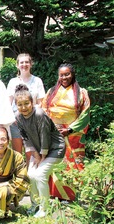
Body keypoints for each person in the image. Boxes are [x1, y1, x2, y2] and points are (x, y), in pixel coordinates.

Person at [14, 84, 65, 218]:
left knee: (40, 175)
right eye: (20, 104)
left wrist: (42, 156)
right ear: (16, 105)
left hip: (55, 149)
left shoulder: (39, 114)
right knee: (31, 175)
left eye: (26, 103)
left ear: (32, 102)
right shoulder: (18, 117)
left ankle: (44, 208)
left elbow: (44, 135)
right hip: (38, 151)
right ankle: (34, 205)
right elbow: (25, 137)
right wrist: (36, 155)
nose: (24, 107)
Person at [42, 63, 90, 200]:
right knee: (55, 162)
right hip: (54, 133)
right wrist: (52, 128)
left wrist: (69, 129)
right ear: (58, 76)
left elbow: (85, 114)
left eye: (67, 74)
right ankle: (54, 194)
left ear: (72, 74)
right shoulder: (51, 92)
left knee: (73, 164)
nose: (64, 77)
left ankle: (73, 195)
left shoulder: (81, 93)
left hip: (73, 134)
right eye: (62, 75)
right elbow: (44, 110)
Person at [7, 53, 45, 162]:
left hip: (32, 122)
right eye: (21, 62)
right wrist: (13, 118)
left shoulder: (37, 81)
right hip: (16, 123)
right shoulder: (12, 82)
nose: (24, 65)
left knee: (31, 153)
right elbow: (8, 103)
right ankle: (19, 176)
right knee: (17, 153)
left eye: (27, 62)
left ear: (31, 64)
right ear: (17, 65)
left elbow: (40, 103)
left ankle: (30, 176)